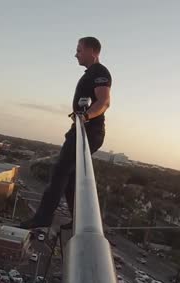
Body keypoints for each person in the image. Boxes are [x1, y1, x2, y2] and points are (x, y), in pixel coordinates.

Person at [19, 36, 112, 229]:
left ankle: (43, 218)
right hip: (82, 129)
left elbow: (104, 102)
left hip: (88, 131)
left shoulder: (100, 72)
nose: (75, 54)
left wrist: (86, 117)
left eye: (79, 50)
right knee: (69, 177)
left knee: (60, 171)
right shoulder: (90, 73)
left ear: (92, 51)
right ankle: (78, 220)